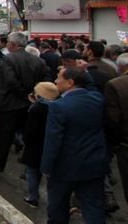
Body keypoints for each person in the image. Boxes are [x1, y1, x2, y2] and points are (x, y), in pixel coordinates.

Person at [42, 67, 108, 224]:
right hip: (94, 162)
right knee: (94, 208)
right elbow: (91, 87)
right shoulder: (97, 99)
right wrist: (85, 71)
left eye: (59, 78)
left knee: (58, 207)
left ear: (70, 83)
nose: (56, 81)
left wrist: (46, 167)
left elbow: (53, 140)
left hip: (65, 166)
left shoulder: (58, 106)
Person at [0, 32, 48, 172]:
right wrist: (31, 95)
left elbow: (10, 81)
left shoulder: (9, 59)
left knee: (4, 135)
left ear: (12, 44)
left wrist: (23, 94)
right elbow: (44, 80)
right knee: (29, 136)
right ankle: (30, 167)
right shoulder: (38, 60)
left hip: (10, 103)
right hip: (30, 103)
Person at [20, 81, 59, 208]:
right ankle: (55, 200)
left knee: (32, 172)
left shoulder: (36, 109)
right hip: (48, 144)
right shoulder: (57, 107)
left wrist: (25, 140)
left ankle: (33, 197)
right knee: (48, 173)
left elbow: (30, 130)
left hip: (35, 145)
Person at [104, 53, 128, 210]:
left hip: (127, 145)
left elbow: (113, 120)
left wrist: (113, 145)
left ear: (120, 67)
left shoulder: (116, 85)